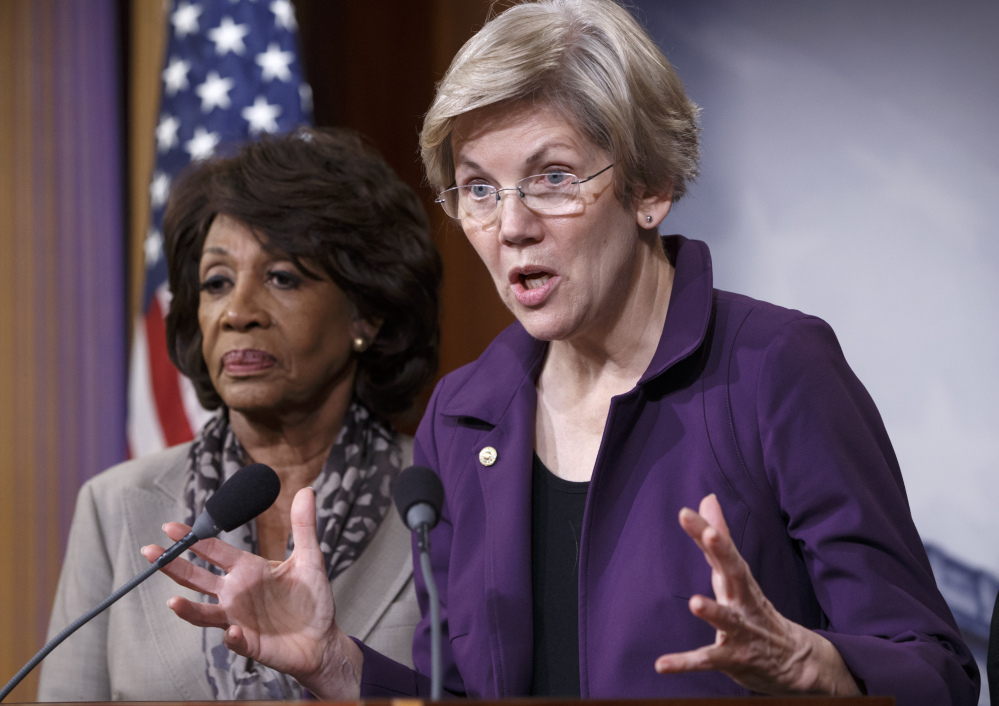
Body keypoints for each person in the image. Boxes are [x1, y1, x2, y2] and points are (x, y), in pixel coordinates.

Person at [143, 1, 980, 703]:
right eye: (477, 188)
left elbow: (934, 669)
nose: (510, 226)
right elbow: (458, 692)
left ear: (649, 186)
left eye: (550, 178)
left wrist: (809, 665)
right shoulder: (465, 413)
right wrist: (337, 663)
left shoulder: (775, 369)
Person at [37, 127, 442, 701]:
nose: (237, 312)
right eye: (217, 282)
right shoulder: (115, 507)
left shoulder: (439, 502)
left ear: (366, 314)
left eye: (282, 277)